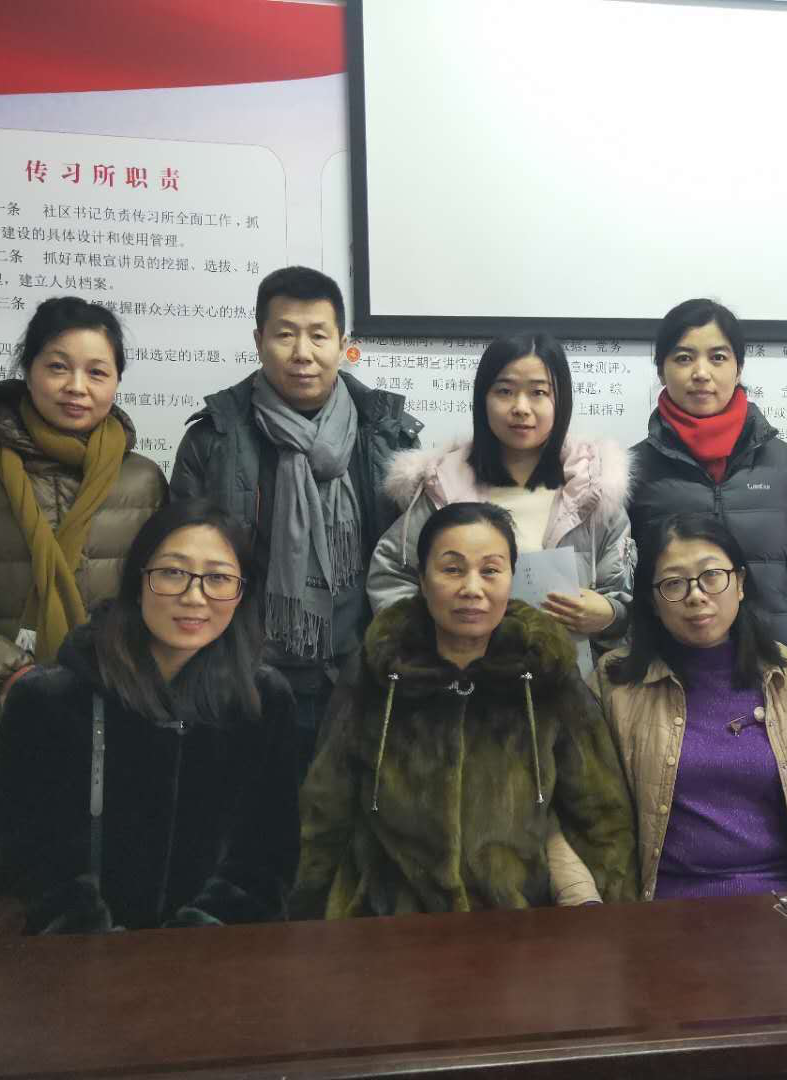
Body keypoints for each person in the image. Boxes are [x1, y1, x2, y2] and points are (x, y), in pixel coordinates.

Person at [0, 296, 167, 911]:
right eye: (57, 366)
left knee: (95, 910)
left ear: (117, 380)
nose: (77, 387)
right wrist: (14, 678)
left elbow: (156, 597)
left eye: (97, 371)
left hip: (108, 720)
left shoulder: (142, 481)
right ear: (28, 368)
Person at [292, 502, 637, 916]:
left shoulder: (545, 672)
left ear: (511, 578)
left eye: (490, 570)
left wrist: (616, 921)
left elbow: (601, 814)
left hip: (516, 923)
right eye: (452, 569)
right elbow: (326, 805)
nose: (472, 588)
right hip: (387, 922)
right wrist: (315, 916)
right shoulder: (378, 670)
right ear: (422, 580)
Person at [0, 500, 299, 933]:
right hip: (76, 960)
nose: (194, 597)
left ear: (241, 594)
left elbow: (265, 860)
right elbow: (30, 865)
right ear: (139, 581)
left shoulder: (263, 702)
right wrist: (104, 952)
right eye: (172, 572)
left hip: (216, 959)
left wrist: (190, 946)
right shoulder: (49, 701)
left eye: (218, 578)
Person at [170, 267, 422, 774]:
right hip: (244, 681)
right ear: (258, 341)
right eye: (285, 334)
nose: (302, 353)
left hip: (364, 680)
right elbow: (181, 567)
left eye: (318, 336)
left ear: (343, 344)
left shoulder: (389, 437)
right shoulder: (213, 439)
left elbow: (412, 565)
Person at [598, 513, 787, 901]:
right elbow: (594, 814)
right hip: (667, 904)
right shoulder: (616, 684)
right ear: (652, 600)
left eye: (712, 576)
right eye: (674, 583)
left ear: (740, 584)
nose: (696, 595)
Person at [368, 332, 632, 651]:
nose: (520, 407)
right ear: (483, 399)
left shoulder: (592, 491)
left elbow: (624, 599)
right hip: (461, 674)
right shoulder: (443, 487)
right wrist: (432, 644)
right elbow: (391, 578)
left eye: (538, 392)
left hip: (565, 675)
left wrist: (608, 615)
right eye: (505, 391)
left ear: (561, 401)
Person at [628, 298, 787, 657]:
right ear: (661, 371)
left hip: (771, 655)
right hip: (669, 661)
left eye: (718, 357)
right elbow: (631, 580)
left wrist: (768, 617)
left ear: (739, 368)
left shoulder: (780, 461)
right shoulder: (635, 468)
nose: (701, 372)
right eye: (684, 358)